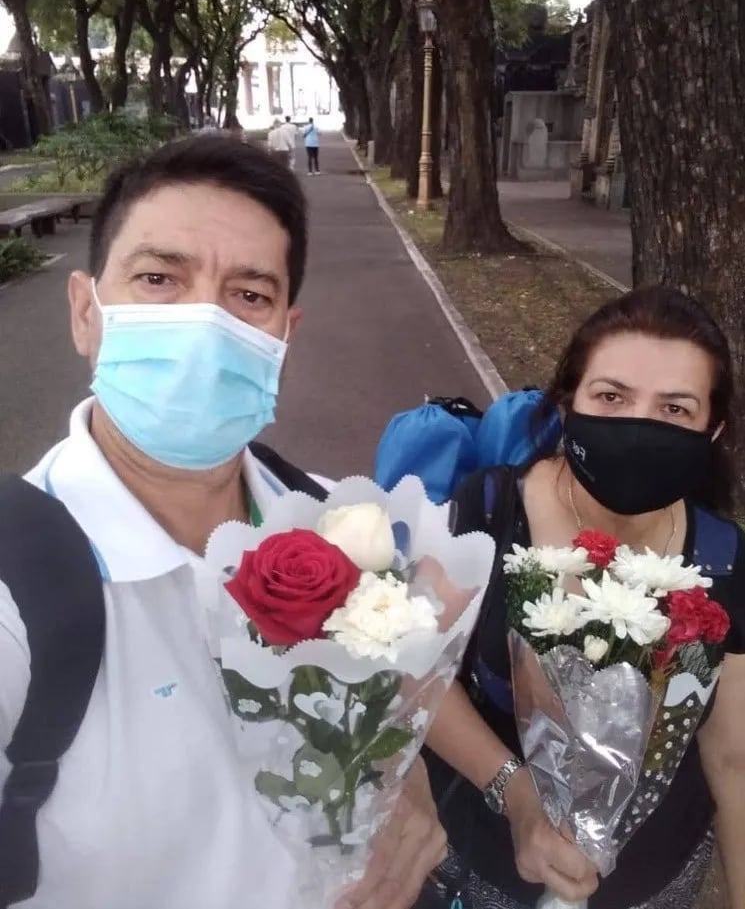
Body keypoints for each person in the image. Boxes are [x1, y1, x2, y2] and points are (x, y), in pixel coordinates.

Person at [0, 135, 446, 909]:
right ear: (85, 313)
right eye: (158, 278)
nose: (203, 321)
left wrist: (404, 789)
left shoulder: (344, 522)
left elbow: (390, 716)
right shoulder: (13, 596)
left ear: (282, 336)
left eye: (248, 295)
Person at [425, 286, 745, 909]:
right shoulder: (487, 511)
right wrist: (515, 795)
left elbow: (733, 757)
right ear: (568, 405)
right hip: (483, 870)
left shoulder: (725, 558)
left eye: (675, 409)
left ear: (713, 430)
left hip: (655, 885)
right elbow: (423, 682)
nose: (638, 427)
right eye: (612, 397)